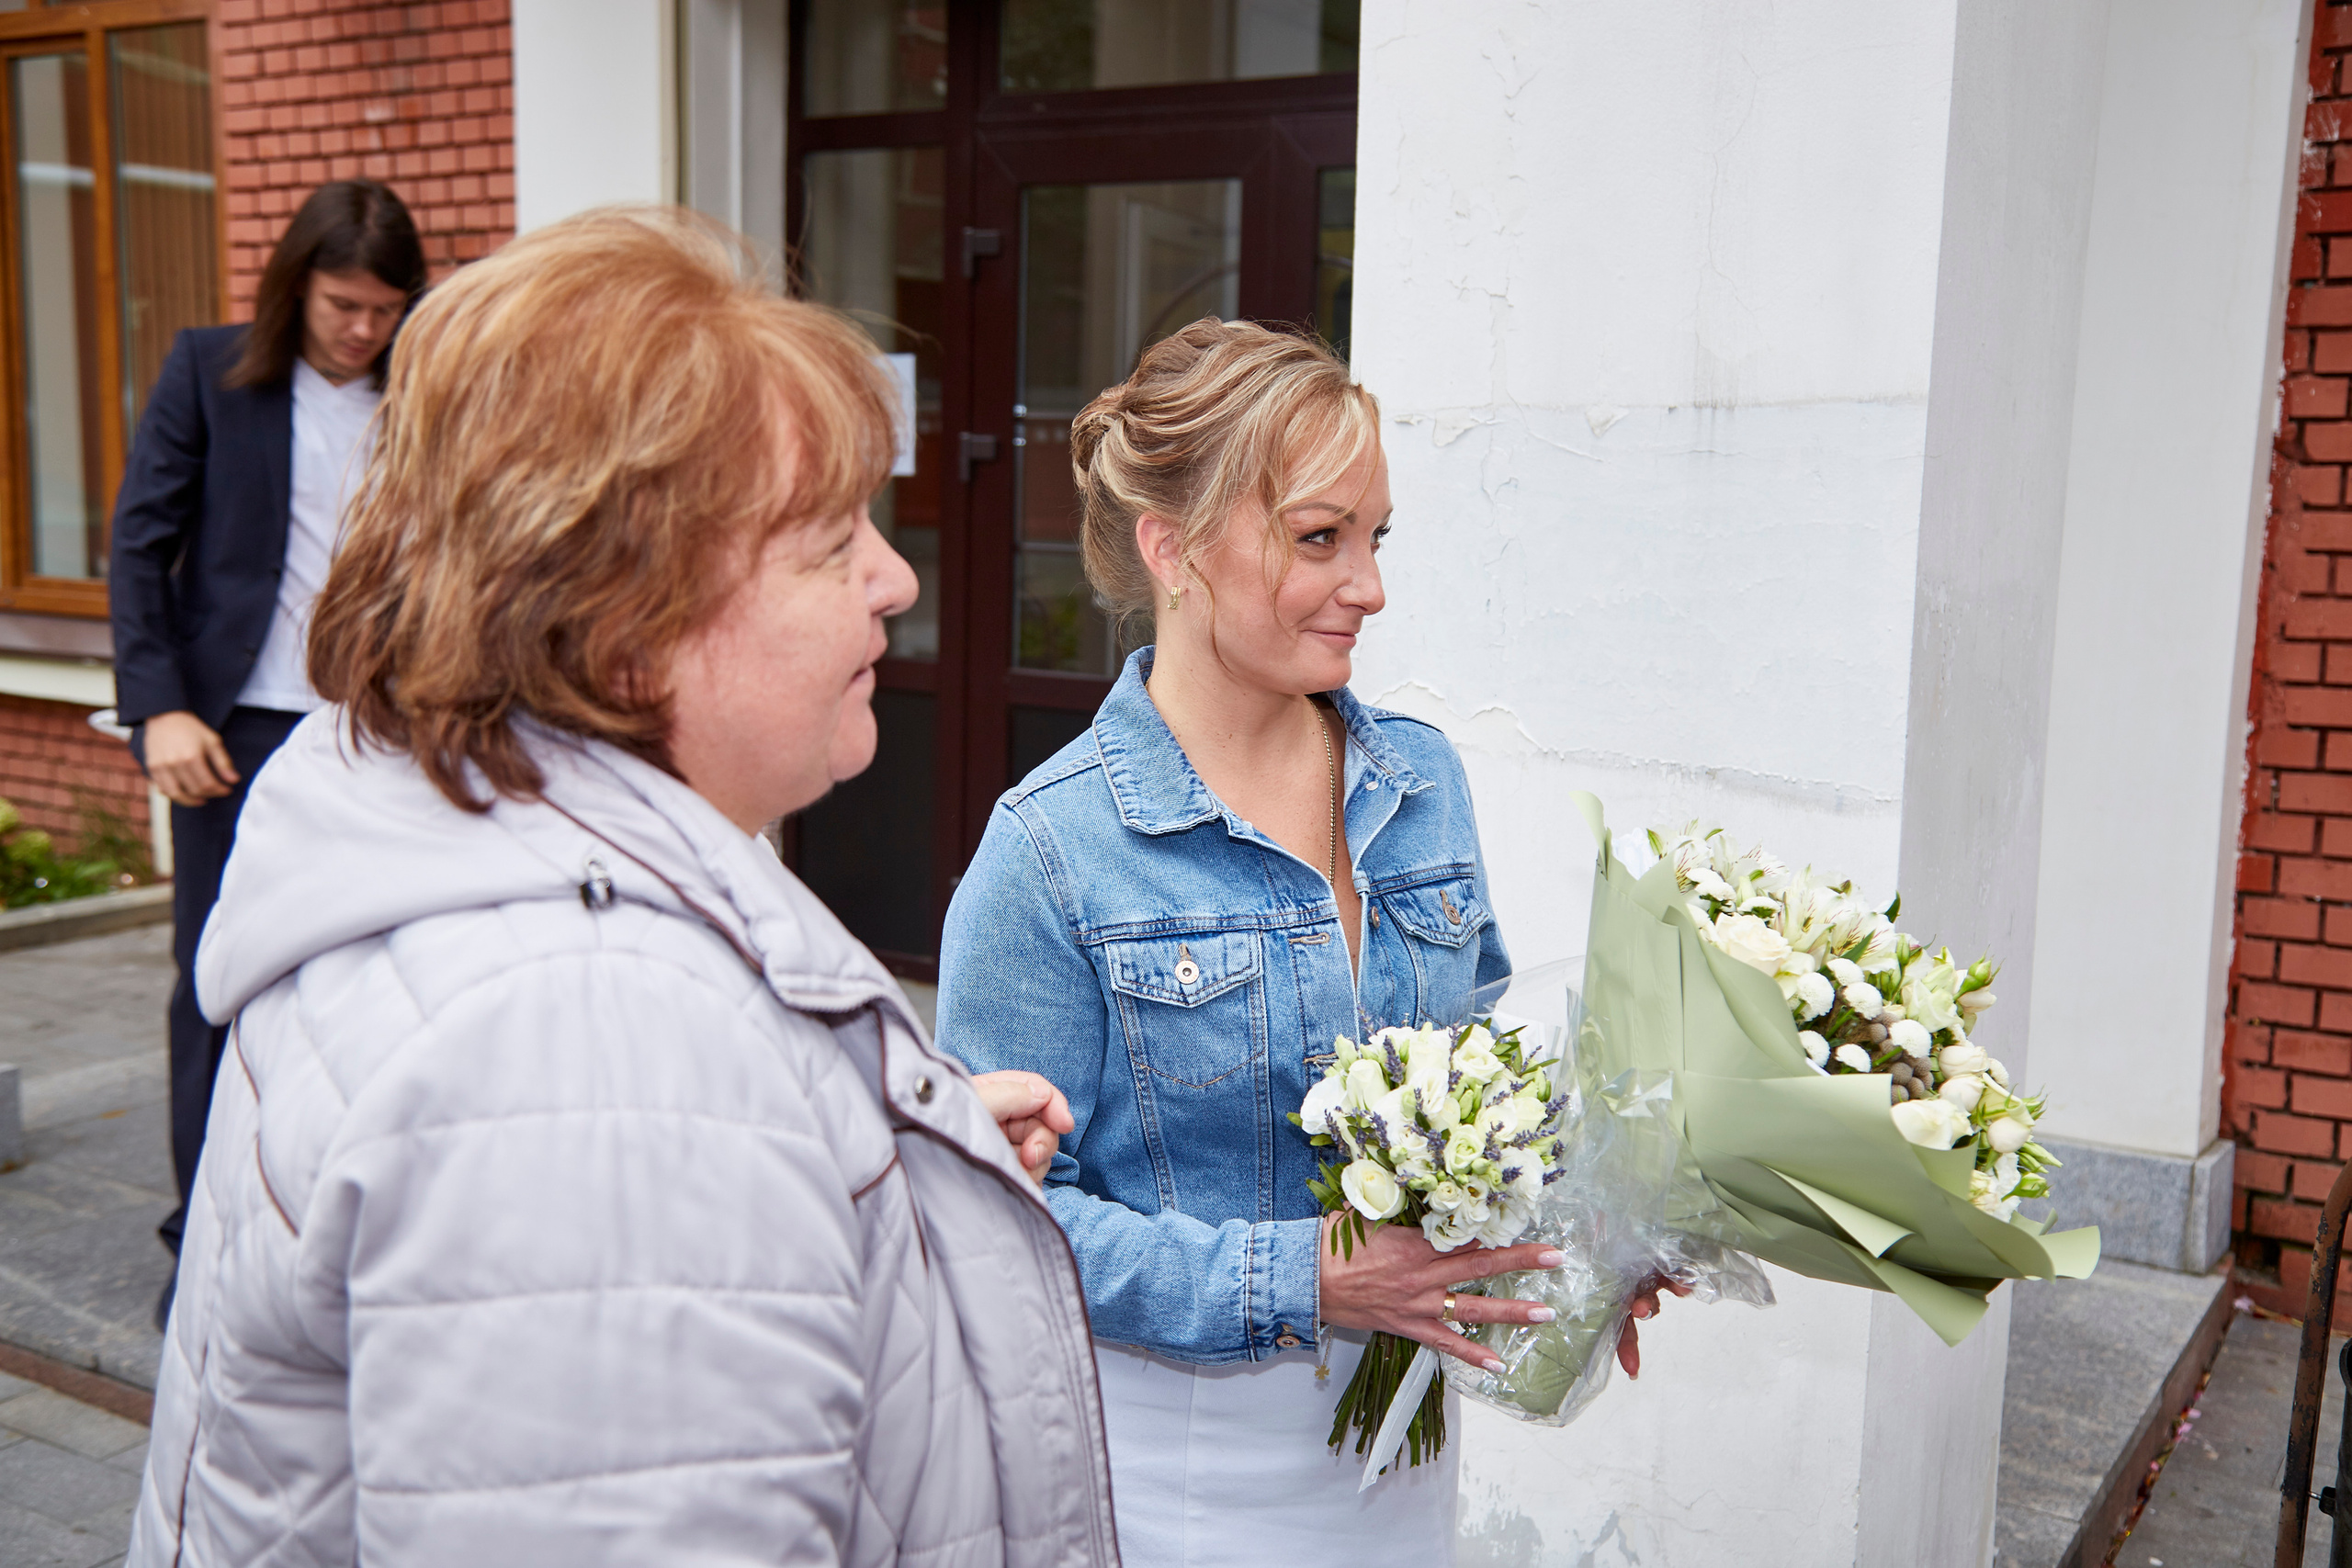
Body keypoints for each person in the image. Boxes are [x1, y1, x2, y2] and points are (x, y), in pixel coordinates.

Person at [128, 208, 1114, 1567]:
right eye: (830, 541)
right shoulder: (591, 1048)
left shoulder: (491, 894)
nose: (893, 579)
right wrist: (706, 1129)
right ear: (626, 626)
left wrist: (866, 1157)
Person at [935, 319, 1668, 1566]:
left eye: (1375, 537)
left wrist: (1598, 1227)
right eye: (1319, 536)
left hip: (1403, 1463)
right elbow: (1000, 1222)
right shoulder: (1052, 848)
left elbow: (1493, 1092)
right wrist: (1305, 1278)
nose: (1370, 584)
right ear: (1172, 548)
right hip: (1178, 1480)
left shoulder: (1419, 780)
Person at [107, 179, 425, 1282]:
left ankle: (345, 1234)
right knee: (219, 978)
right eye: (343, 303)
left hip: (385, 730)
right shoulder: (210, 373)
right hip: (233, 731)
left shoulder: (423, 388)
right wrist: (159, 707)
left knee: (384, 977)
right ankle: (200, 1243)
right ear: (297, 287)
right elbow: (139, 545)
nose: (362, 329)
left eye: (385, 309)